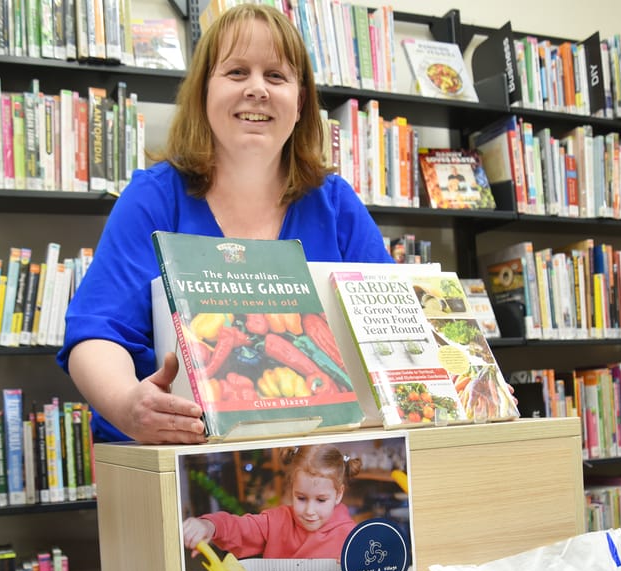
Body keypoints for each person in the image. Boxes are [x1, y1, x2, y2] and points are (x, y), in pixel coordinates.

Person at [57, 4, 391, 445]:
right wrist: (127, 405)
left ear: (300, 101)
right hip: (177, 459)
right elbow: (95, 333)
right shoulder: (154, 197)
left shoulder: (336, 204)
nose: (257, 89)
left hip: (319, 461)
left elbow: (393, 330)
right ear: (203, 92)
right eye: (236, 72)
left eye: (276, 76)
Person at [182, 444, 362, 560]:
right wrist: (209, 526)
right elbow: (239, 527)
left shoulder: (352, 537)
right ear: (292, 488)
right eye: (301, 498)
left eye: (321, 500)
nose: (309, 510)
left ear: (338, 495)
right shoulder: (276, 522)